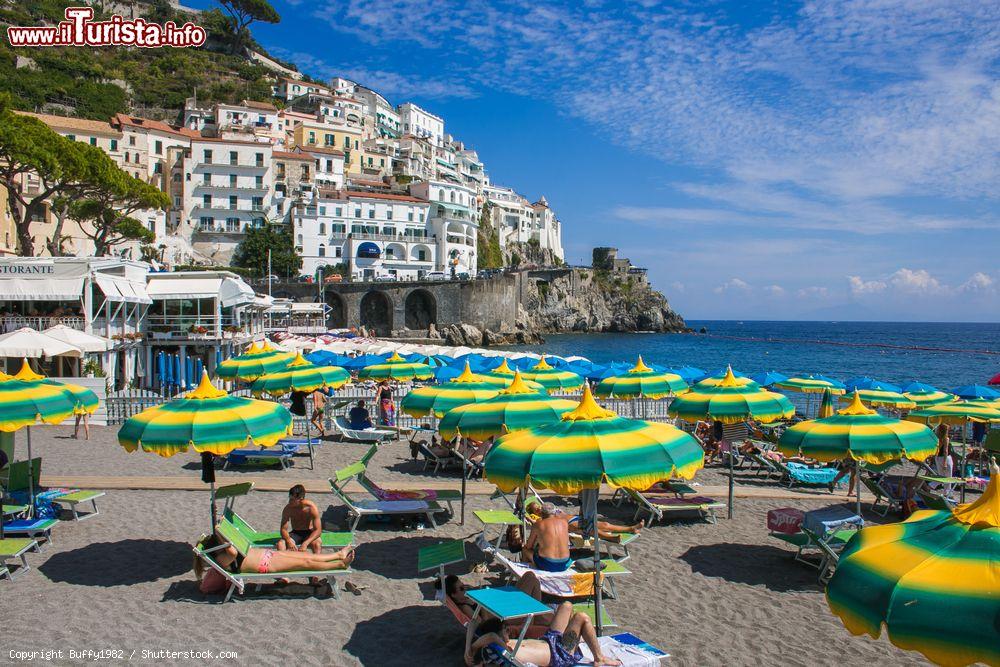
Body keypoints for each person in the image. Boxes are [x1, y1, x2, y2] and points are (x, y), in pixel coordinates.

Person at [193, 532, 354, 594]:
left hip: (268, 556)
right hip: (267, 565)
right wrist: (221, 535)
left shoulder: (223, 553)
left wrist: (222, 531)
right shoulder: (222, 558)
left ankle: (338, 555)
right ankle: (337, 564)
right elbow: (233, 552)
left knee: (305, 556)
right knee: (305, 563)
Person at [465, 605, 621, 667]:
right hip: (559, 653)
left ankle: (577, 637)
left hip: (549, 639)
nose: (508, 628)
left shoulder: (495, 641)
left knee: (566, 606)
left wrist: (467, 649)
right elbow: (491, 635)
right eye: (504, 628)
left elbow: (472, 624)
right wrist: (472, 648)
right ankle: (599, 657)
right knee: (582, 617)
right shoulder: (497, 647)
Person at [524, 501, 642, 541]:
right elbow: (535, 524)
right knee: (590, 530)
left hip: (575, 518)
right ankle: (610, 537)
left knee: (605, 524)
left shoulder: (549, 508)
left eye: (538, 506)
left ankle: (631, 528)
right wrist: (528, 517)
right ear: (534, 513)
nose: (539, 509)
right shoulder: (542, 518)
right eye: (536, 510)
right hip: (570, 525)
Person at [444, 572, 542, 619]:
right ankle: (538, 615)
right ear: (453, 595)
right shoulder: (465, 607)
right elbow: (483, 624)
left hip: (502, 605)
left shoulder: (466, 599)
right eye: (461, 588)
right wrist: (482, 603)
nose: (465, 589)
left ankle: (538, 614)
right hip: (506, 616)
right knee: (533, 581)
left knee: (529, 575)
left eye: (464, 586)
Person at [522, 502, 571, 572]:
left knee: (525, 549)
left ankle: (524, 573)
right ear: (554, 512)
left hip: (548, 564)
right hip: (565, 563)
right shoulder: (564, 522)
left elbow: (529, 546)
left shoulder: (538, 525)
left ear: (541, 513)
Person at [278, 484, 322, 555]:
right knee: (280, 544)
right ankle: (283, 564)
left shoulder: (311, 508)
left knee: (317, 544)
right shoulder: (288, 509)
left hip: (309, 533)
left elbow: (318, 530)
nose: (289, 501)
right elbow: (283, 529)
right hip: (295, 533)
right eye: (289, 498)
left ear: (300, 499)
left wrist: (305, 543)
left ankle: (316, 564)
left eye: (292, 499)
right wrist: (289, 540)